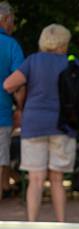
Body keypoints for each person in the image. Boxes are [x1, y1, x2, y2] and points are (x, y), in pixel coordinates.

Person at [3, 24, 78, 223]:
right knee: (57, 179)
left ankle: (32, 224)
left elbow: (8, 84)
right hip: (63, 125)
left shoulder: (32, 61)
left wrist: (22, 99)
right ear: (64, 42)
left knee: (35, 180)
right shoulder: (72, 63)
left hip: (34, 124)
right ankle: (61, 223)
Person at [0, 2, 22, 200]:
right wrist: (21, 108)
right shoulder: (10, 45)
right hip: (1, 114)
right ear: (5, 20)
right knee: (1, 162)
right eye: (12, 22)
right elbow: (18, 82)